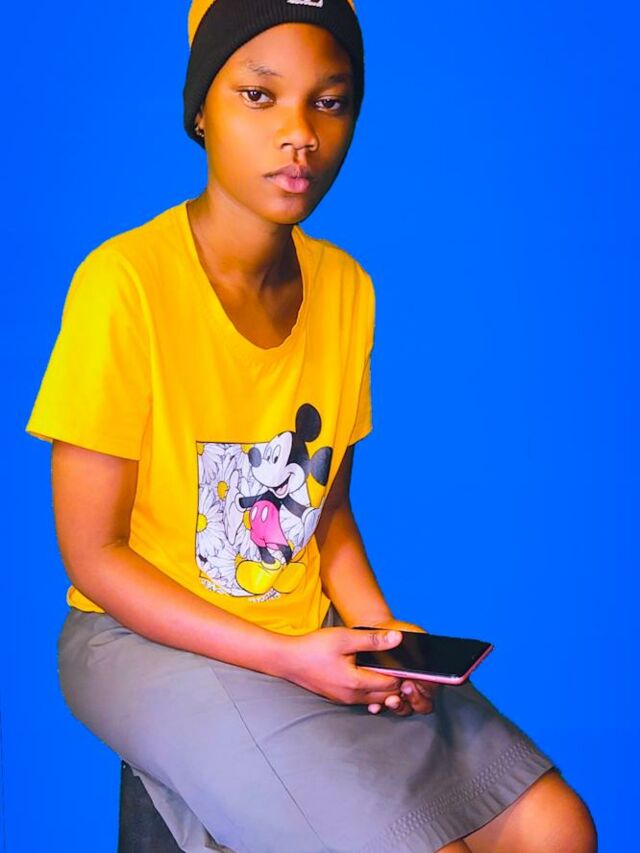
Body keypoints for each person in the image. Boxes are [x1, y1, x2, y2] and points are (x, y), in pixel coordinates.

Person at [26, 1, 597, 851]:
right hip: (135, 636)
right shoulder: (123, 285)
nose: (300, 133)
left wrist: (384, 640)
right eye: (260, 96)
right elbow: (93, 555)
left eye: (329, 102)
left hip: (305, 630)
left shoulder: (347, 289)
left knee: (558, 826)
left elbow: (325, 517)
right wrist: (285, 657)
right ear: (201, 109)